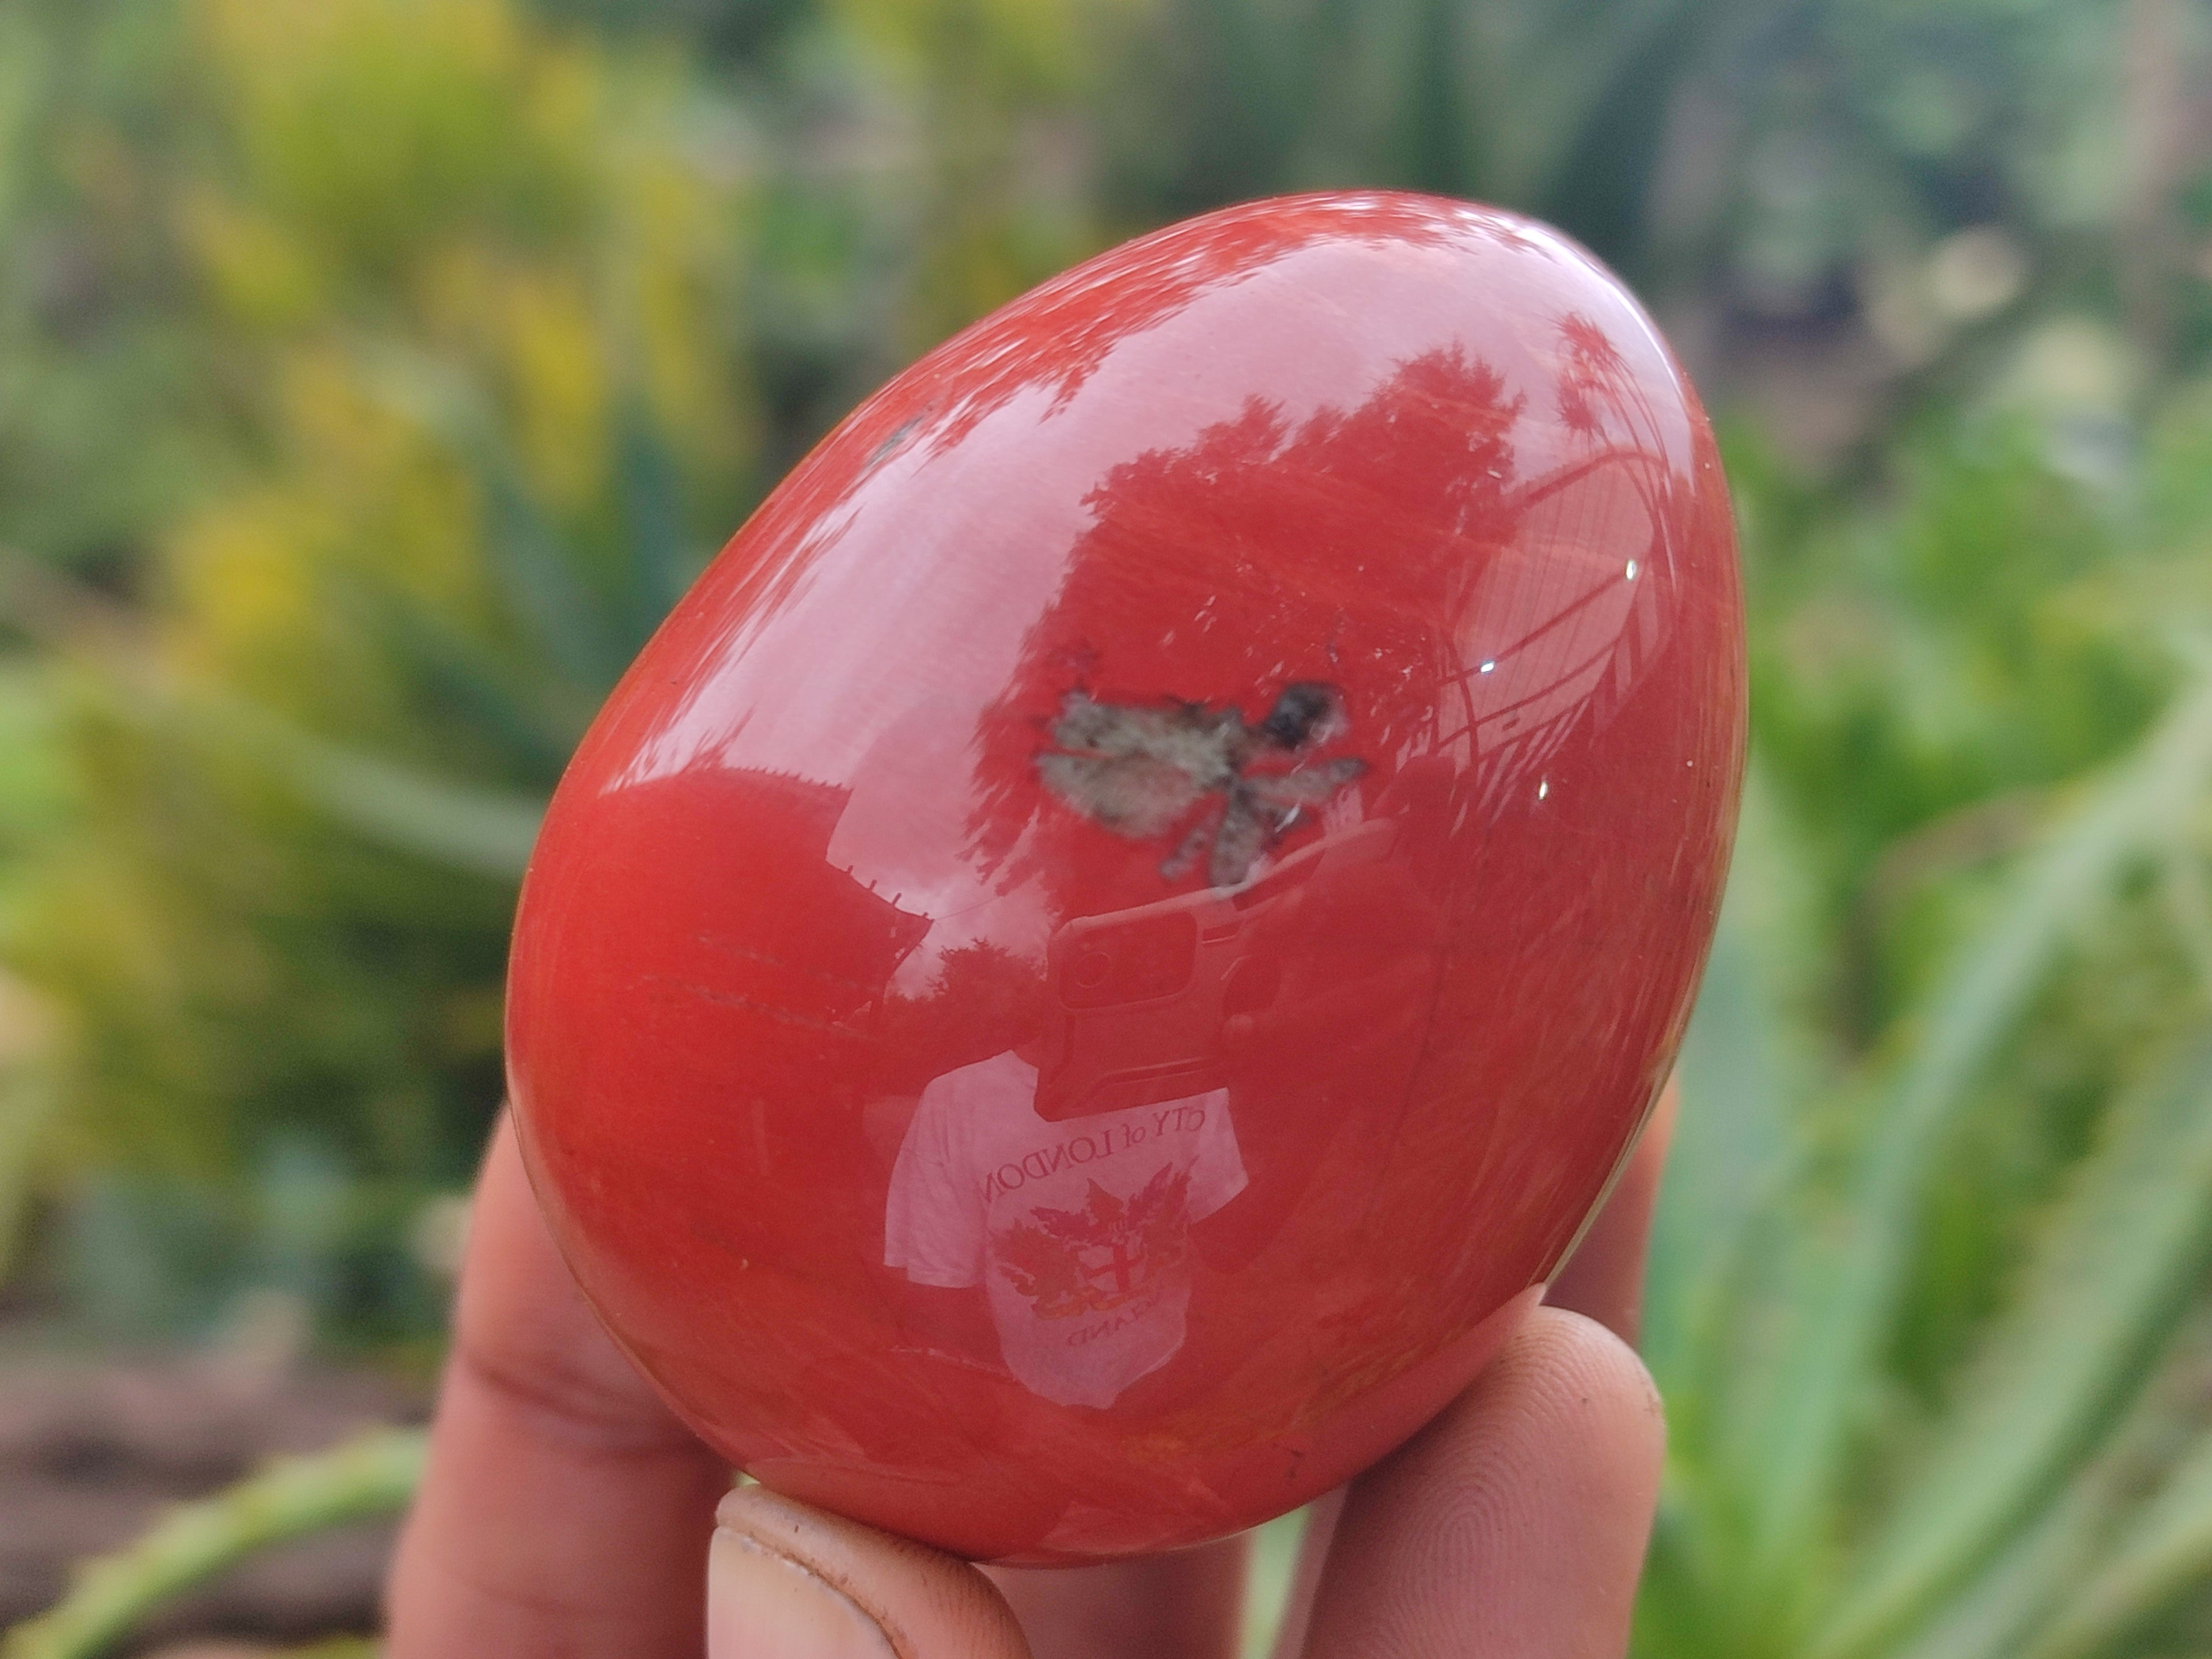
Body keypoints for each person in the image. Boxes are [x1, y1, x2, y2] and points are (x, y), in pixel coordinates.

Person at [381, 1083, 1674, 1659]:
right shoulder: (965, 1112)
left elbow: (1229, 1237)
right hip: (1082, 1452)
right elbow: (923, 1311)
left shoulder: (1188, 1091)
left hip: (1174, 1434)